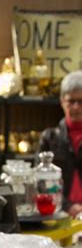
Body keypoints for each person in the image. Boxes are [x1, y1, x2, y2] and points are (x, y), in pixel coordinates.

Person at [38, 70, 82, 219]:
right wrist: (68, 206)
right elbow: (38, 182)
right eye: (71, 101)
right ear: (62, 101)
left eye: (81, 102)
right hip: (57, 213)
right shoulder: (49, 137)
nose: (76, 107)